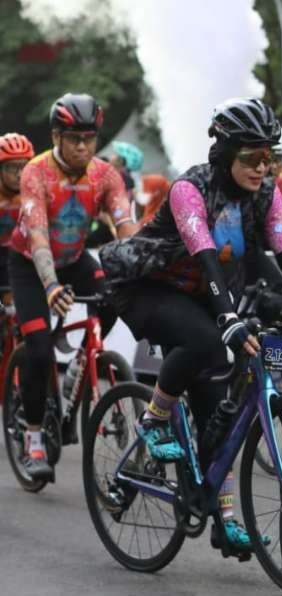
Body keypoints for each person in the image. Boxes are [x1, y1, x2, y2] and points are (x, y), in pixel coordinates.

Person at [100, 97, 282, 553]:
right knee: (205, 340)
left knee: (219, 416)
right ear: (224, 152)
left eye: (269, 157)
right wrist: (228, 316)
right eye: (251, 157)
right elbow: (204, 254)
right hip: (149, 286)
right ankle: (153, 423)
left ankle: (223, 519)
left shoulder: (264, 194)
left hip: (201, 293)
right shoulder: (190, 188)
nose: (261, 167)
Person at [10, 93, 136, 482]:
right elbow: (38, 235)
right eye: (73, 138)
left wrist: (141, 271)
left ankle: (81, 363)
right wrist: (50, 286)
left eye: (89, 137)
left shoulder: (105, 175)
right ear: (56, 136)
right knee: (38, 347)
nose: (82, 146)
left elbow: (126, 227)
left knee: (116, 298)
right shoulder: (36, 172)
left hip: (76, 258)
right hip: (31, 263)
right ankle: (32, 438)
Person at [0, 133, 33, 296]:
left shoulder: (33, 192)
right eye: (12, 167)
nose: (19, 174)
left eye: (24, 167)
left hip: (19, 255)